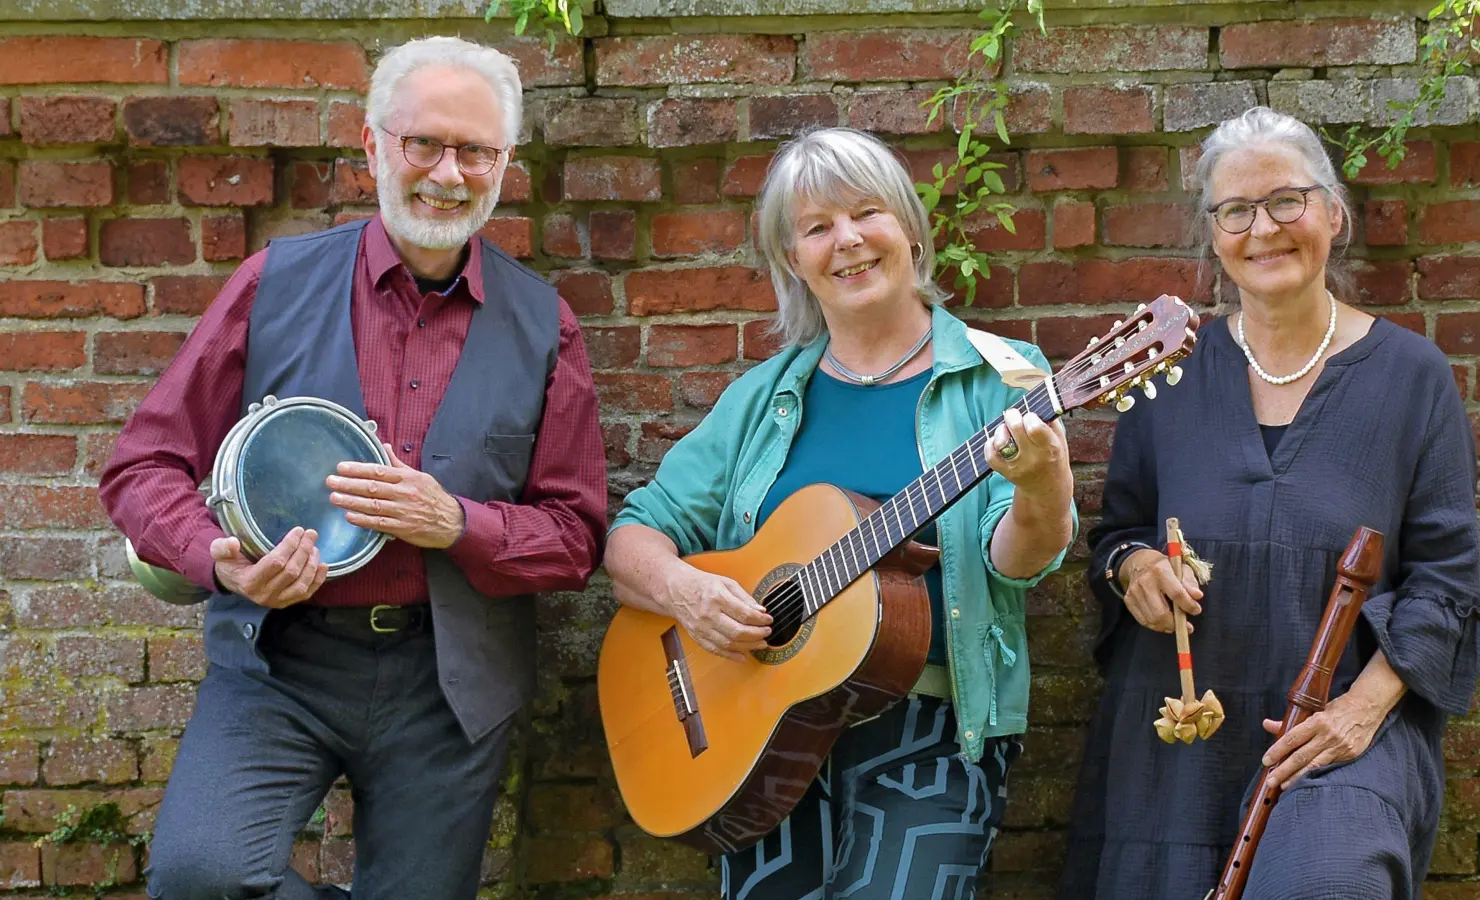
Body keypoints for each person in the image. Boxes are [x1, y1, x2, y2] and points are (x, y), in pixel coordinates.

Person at [99, 36, 607, 899]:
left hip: (448, 679)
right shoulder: (273, 283)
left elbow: (575, 537)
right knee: (199, 878)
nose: (449, 174)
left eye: (476, 152)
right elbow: (143, 464)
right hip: (279, 662)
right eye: (424, 144)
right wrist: (218, 559)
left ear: (505, 164)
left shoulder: (542, 324)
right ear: (373, 145)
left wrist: (457, 522)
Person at [604, 126, 1078, 899]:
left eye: (866, 213)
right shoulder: (764, 399)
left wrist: (1043, 482)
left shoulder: (1004, 377)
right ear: (794, 261)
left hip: (932, 732)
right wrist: (685, 593)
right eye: (817, 227)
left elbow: (1018, 562)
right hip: (759, 736)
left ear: (910, 228)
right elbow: (634, 537)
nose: (847, 240)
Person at [1060, 105, 1480, 899]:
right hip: (1175, 739)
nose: (1264, 229)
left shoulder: (1412, 377)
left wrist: (1359, 714)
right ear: (1213, 234)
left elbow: (1446, 585)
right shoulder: (1167, 376)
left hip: (1339, 735)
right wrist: (1137, 568)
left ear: (1333, 212)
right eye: (1236, 210)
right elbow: (1118, 535)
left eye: (1287, 200)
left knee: (1327, 882)